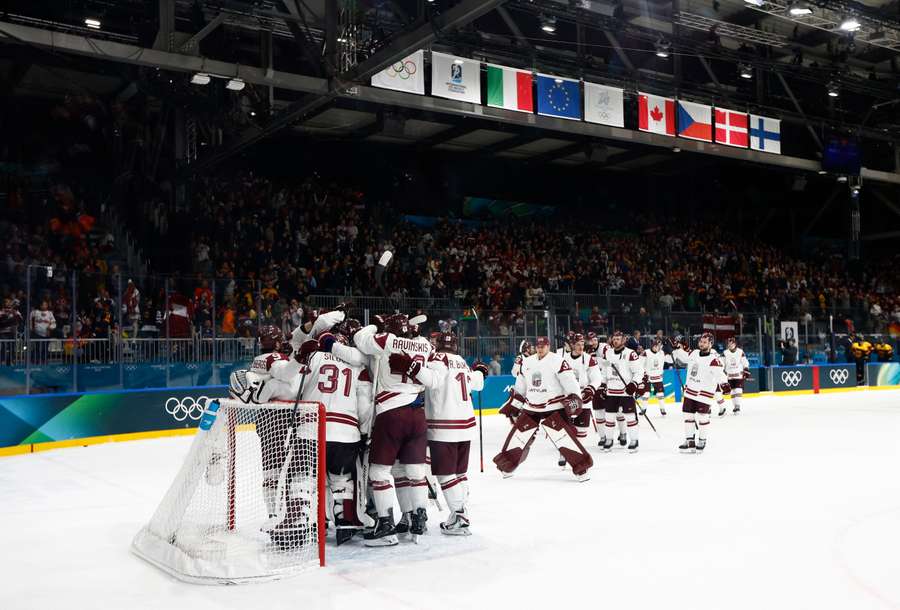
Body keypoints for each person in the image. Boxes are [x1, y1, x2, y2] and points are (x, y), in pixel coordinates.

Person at [353, 313, 433, 546]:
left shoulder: (386, 339)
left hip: (391, 412)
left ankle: (386, 526)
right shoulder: (424, 345)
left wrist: (373, 326)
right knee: (416, 471)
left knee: (379, 473)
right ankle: (418, 519)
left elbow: (360, 339)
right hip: (418, 413)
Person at [301, 318, 373, 545]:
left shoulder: (312, 356)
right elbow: (364, 405)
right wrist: (364, 433)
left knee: (311, 479)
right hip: (345, 432)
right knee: (342, 479)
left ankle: (314, 522)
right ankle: (345, 521)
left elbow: (295, 387)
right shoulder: (358, 365)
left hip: (310, 428)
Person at [494, 336, 591, 481]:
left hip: (554, 405)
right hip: (531, 405)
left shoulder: (558, 361)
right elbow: (521, 386)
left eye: (543, 346)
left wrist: (575, 398)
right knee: (520, 436)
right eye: (538, 346)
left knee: (564, 437)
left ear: (548, 346)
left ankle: (581, 468)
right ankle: (507, 465)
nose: (540, 348)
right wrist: (515, 405)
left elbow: (570, 382)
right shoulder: (527, 362)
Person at [418, 333, 486, 535]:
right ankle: (458, 511)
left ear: (438, 345)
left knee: (445, 474)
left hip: (444, 425)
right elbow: (478, 383)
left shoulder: (437, 359)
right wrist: (481, 372)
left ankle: (460, 516)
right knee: (459, 473)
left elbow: (431, 381)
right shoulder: (463, 363)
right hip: (466, 425)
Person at [672, 332, 728, 453]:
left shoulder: (714, 359)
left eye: (704, 342)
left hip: (704, 393)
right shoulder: (694, 353)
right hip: (690, 391)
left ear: (710, 344)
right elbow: (683, 356)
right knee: (688, 415)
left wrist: (724, 384)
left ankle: (702, 440)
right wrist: (675, 348)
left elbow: (720, 374)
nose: (701, 344)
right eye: (701, 342)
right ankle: (689, 440)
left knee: (703, 417)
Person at [595, 330, 645, 453]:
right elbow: (605, 371)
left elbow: (639, 372)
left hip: (625, 391)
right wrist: (603, 385)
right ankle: (609, 439)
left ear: (623, 340)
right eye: (614, 338)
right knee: (609, 417)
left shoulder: (630, 354)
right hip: (611, 392)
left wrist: (634, 384)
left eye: (618, 338)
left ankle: (634, 440)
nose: (616, 340)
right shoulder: (608, 353)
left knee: (629, 417)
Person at [721, 337, 751, 415]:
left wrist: (746, 369)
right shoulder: (725, 353)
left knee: (738, 390)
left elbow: (745, 361)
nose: (730, 345)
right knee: (732, 392)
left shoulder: (740, 352)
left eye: (732, 343)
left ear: (735, 344)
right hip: (729, 376)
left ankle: (737, 406)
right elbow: (721, 363)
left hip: (738, 375)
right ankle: (735, 406)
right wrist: (721, 371)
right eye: (729, 344)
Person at [639, 338, 667, 416]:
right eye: (655, 346)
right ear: (652, 346)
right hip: (648, 377)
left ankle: (662, 409)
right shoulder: (646, 352)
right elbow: (639, 363)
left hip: (658, 377)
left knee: (660, 394)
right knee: (646, 394)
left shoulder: (662, 353)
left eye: (658, 346)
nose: (656, 348)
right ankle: (643, 409)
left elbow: (668, 359)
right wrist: (642, 373)